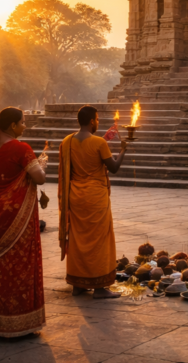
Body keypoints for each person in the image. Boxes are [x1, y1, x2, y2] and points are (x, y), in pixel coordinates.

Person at [0, 108, 47, 336]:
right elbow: (39, 178)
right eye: (23, 123)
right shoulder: (21, 148)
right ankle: (18, 323)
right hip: (17, 219)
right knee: (18, 265)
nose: (25, 126)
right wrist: (43, 163)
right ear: (13, 125)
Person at [59, 105, 128, 298]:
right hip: (96, 197)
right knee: (99, 240)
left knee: (77, 239)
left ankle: (78, 283)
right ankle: (99, 287)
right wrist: (123, 150)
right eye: (97, 119)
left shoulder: (67, 142)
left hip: (76, 195)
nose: (98, 123)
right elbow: (113, 167)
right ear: (91, 121)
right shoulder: (99, 143)